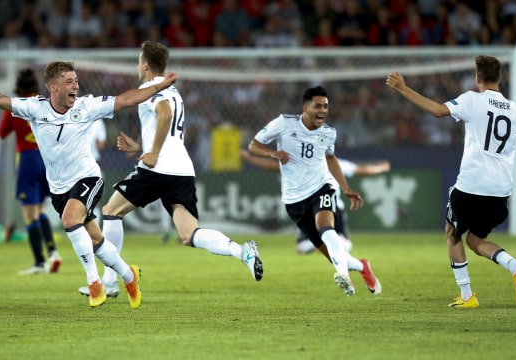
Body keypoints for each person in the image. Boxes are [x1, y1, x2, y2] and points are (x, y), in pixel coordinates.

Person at [0, 60, 177, 308]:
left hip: (88, 177)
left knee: (69, 221)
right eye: (69, 82)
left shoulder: (87, 106)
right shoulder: (35, 108)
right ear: (53, 87)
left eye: (76, 81)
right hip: (59, 187)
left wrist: (159, 86)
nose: (75, 86)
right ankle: (129, 276)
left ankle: (94, 283)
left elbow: (127, 99)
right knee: (96, 242)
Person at [77, 40, 262, 299]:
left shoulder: (151, 88)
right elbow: (171, 134)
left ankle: (109, 282)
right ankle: (242, 251)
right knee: (189, 234)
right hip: (182, 170)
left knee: (110, 212)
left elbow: (163, 114)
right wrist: (140, 146)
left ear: (145, 65)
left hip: (158, 168)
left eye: (138, 62)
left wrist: (151, 153)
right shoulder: (175, 93)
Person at [386, 55, 516, 308]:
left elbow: (437, 111)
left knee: (452, 234)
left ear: (477, 78)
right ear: (500, 78)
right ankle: (515, 267)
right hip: (500, 193)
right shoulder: (515, 110)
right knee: (474, 240)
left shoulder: (471, 100)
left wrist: (403, 88)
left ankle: (467, 297)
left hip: (471, 186)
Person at [247, 86, 381, 297]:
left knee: (326, 227)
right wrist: (273, 153)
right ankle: (363, 267)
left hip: (321, 187)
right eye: (318, 106)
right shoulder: (284, 123)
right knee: (330, 252)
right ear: (305, 107)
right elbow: (253, 145)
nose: (323, 110)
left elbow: (330, 158)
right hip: (294, 199)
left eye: (326, 106)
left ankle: (343, 276)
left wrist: (345, 188)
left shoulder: (328, 133)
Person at [240, 149, 391, 254]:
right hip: (330, 207)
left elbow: (272, 166)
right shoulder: (335, 163)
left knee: (303, 247)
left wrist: (248, 158)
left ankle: (318, 245)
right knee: (344, 244)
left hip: (311, 209)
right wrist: (382, 168)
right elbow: (363, 171)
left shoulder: (307, 164)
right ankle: (331, 244)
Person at [0, 68, 62, 276]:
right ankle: (53, 253)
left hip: (27, 159)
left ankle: (39, 262)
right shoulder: (44, 103)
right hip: (46, 159)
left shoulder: (15, 107)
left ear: (17, 86)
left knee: (29, 214)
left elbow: (1, 133)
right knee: (40, 210)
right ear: (36, 86)